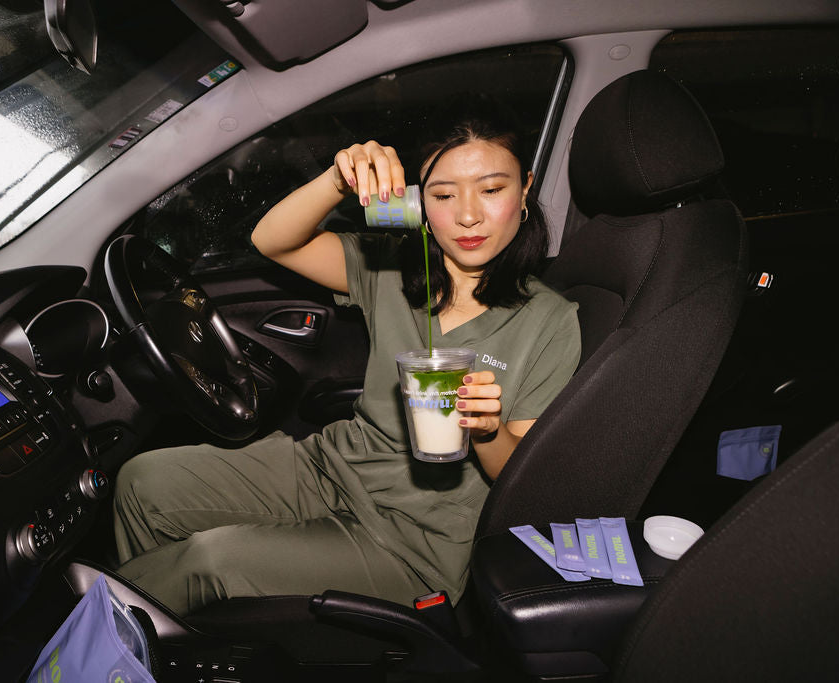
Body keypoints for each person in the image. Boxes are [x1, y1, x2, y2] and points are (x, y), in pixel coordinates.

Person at [112, 95, 581, 616]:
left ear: (525, 191)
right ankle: (153, 634)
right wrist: (339, 177)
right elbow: (273, 241)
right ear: (419, 201)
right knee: (143, 481)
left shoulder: (550, 320)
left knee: (207, 561)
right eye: (444, 195)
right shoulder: (392, 268)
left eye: (492, 189)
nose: (469, 215)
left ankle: (124, 637)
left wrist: (488, 430)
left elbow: (522, 475)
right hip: (329, 468)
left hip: (414, 539)